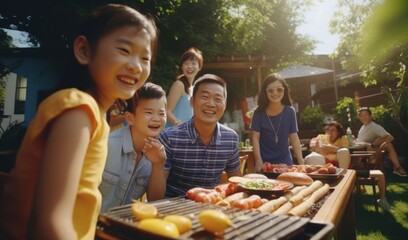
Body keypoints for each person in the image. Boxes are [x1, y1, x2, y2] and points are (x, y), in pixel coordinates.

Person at [0, 4, 158, 239]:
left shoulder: (95, 116)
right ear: (84, 50)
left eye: (145, 57)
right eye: (124, 50)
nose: (136, 64)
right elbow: (50, 222)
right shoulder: (78, 110)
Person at [159, 74, 241, 197]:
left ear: (224, 105)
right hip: (172, 210)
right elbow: (155, 194)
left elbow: (236, 182)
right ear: (192, 101)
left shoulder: (231, 138)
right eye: (205, 97)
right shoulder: (169, 138)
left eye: (218, 99)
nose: (211, 104)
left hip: (210, 206)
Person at [99, 83, 167, 213]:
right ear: (130, 118)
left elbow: (156, 200)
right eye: (149, 112)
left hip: (124, 226)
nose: (156, 119)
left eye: (161, 113)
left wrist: (158, 165)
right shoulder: (108, 145)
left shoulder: (159, 151)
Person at [250, 73, 304, 172]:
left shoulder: (290, 111)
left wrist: (301, 162)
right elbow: (255, 137)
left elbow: (294, 137)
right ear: (265, 92)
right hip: (264, 164)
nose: (275, 93)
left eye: (279, 89)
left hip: (286, 162)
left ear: (284, 90)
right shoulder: (258, 113)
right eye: (270, 90)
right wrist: (258, 161)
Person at [357, 107, 407, 177]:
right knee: (388, 145)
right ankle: (397, 167)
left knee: (389, 145)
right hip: (360, 151)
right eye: (361, 116)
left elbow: (390, 137)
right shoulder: (363, 127)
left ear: (371, 116)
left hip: (366, 152)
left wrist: (380, 146)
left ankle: (397, 167)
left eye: (366, 115)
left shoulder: (374, 126)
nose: (363, 117)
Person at [165, 47, 203, 127]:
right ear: (182, 67)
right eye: (186, 63)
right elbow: (167, 111)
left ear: (199, 67)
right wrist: (179, 125)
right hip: (173, 133)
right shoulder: (179, 85)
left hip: (185, 135)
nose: (190, 67)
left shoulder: (193, 89)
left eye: (193, 63)